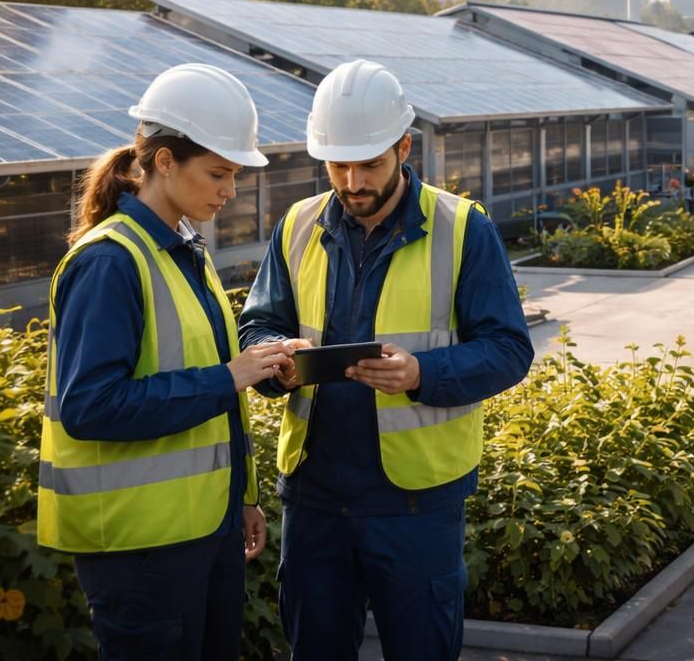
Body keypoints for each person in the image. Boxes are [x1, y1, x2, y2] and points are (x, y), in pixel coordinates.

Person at [238, 59, 534, 661]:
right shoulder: (297, 224)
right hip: (314, 497)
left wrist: (423, 373)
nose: (352, 182)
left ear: (403, 146)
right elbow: (259, 321)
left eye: (368, 163)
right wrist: (273, 358)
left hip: (416, 503)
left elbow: (508, 350)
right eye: (338, 164)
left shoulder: (462, 229)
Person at [38, 64, 288, 661]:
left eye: (233, 174)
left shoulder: (184, 251)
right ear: (165, 162)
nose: (229, 190)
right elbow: (91, 407)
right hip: (139, 549)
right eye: (218, 173)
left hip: (203, 532)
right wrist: (231, 376)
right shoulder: (110, 263)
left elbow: (210, 397)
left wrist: (241, 500)